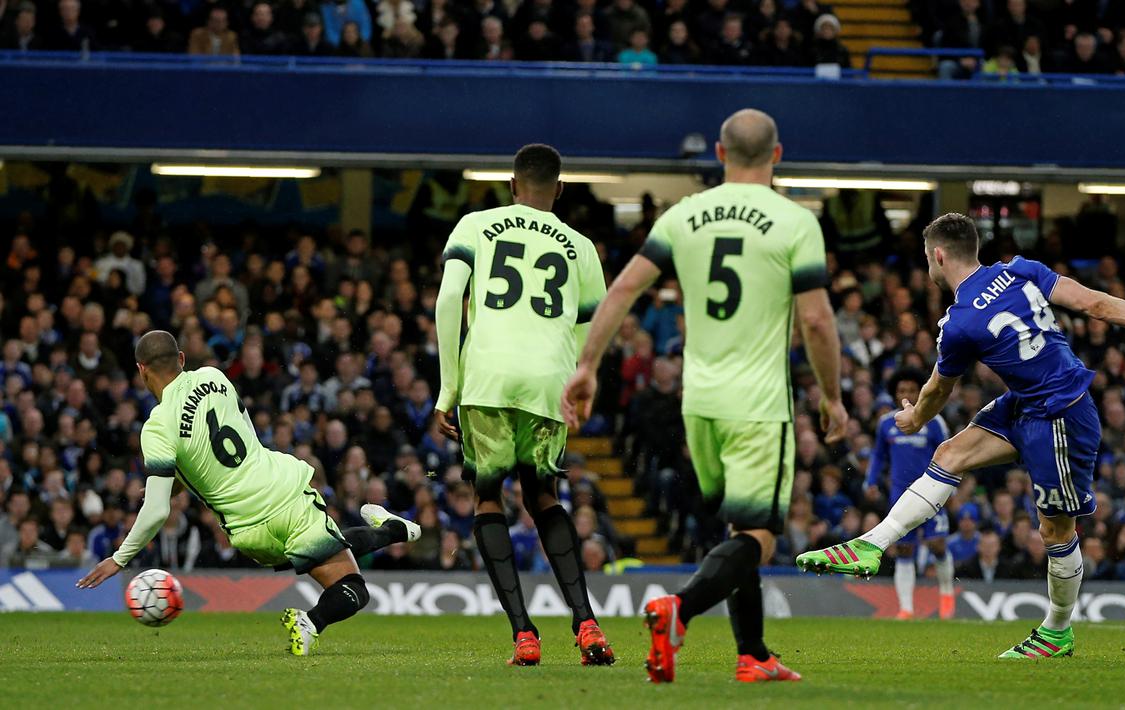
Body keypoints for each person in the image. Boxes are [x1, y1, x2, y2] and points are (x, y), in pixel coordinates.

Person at [798, 212, 1125, 659]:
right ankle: (871, 545)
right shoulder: (1020, 270)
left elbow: (937, 389)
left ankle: (1057, 630)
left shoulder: (958, 325)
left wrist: (914, 419)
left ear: (937, 255)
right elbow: (1094, 304)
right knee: (949, 453)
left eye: (927, 260)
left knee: (1055, 529)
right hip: (1027, 401)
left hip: (1060, 414)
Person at [562, 109, 848, 683]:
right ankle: (679, 610)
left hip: (700, 404)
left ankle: (754, 655)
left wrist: (587, 365)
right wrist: (832, 396)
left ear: (718, 154)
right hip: (758, 404)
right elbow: (816, 322)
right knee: (762, 536)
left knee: (740, 532)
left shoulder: (682, 216)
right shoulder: (795, 222)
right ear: (777, 155)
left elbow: (622, 289)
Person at [77, 331, 422, 657]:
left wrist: (119, 559)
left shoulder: (156, 427)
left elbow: (155, 508)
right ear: (182, 358)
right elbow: (243, 429)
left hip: (249, 533)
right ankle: (320, 612)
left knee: (326, 550)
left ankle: (389, 537)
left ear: (141, 370)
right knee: (353, 590)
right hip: (282, 494)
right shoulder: (214, 377)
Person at [433, 144, 615, 667]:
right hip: (548, 382)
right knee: (543, 497)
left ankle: (524, 635)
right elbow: (592, 328)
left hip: (487, 378)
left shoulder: (475, 225)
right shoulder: (581, 246)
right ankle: (586, 624)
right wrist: (581, 384)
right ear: (559, 189)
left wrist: (449, 388)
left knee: (488, 498)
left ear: (512, 186)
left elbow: (449, 300)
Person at [866, 368, 955, 620]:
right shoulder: (886, 423)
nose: (907, 394)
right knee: (904, 549)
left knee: (937, 544)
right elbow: (878, 456)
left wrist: (952, 487)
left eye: (911, 390)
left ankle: (946, 594)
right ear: (895, 394)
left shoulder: (934, 422)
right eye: (902, 390)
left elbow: (949, 454)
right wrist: (871, 481)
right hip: (899, 493)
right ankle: (906, 608)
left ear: (920, 392)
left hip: (932, 492)